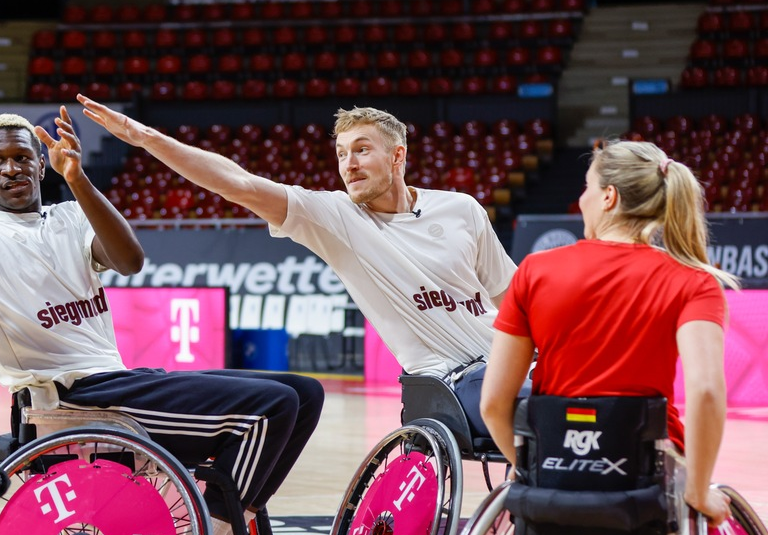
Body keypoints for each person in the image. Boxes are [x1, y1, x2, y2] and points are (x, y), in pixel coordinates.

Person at [0, 108, 324, 535]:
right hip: (69, 400)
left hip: (117, 383)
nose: (12, 169)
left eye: (23, 157)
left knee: (305, 394)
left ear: (40, 165)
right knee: (272, 409)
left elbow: (130, 260)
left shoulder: (72, 215)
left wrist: (79, 178)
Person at [77, 96, 517, 437]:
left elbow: (513, 296)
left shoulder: (461, 208)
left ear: (398, 156)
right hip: (452, 386)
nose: (349, 164)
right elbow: (241, 185)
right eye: (342, 153)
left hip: (509, 363)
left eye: (362, 150)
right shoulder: (336, 217)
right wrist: (148, 138)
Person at [479, 139, 735, 535]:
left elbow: (494, 404)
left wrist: (534, 471)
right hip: (648, 482)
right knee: (688, 522)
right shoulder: (692, 282)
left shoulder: (535, 271)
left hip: (553, 478)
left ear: (611, 197)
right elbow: (708, 392)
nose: (581, 199)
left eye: (588, 188)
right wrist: (702, 491)